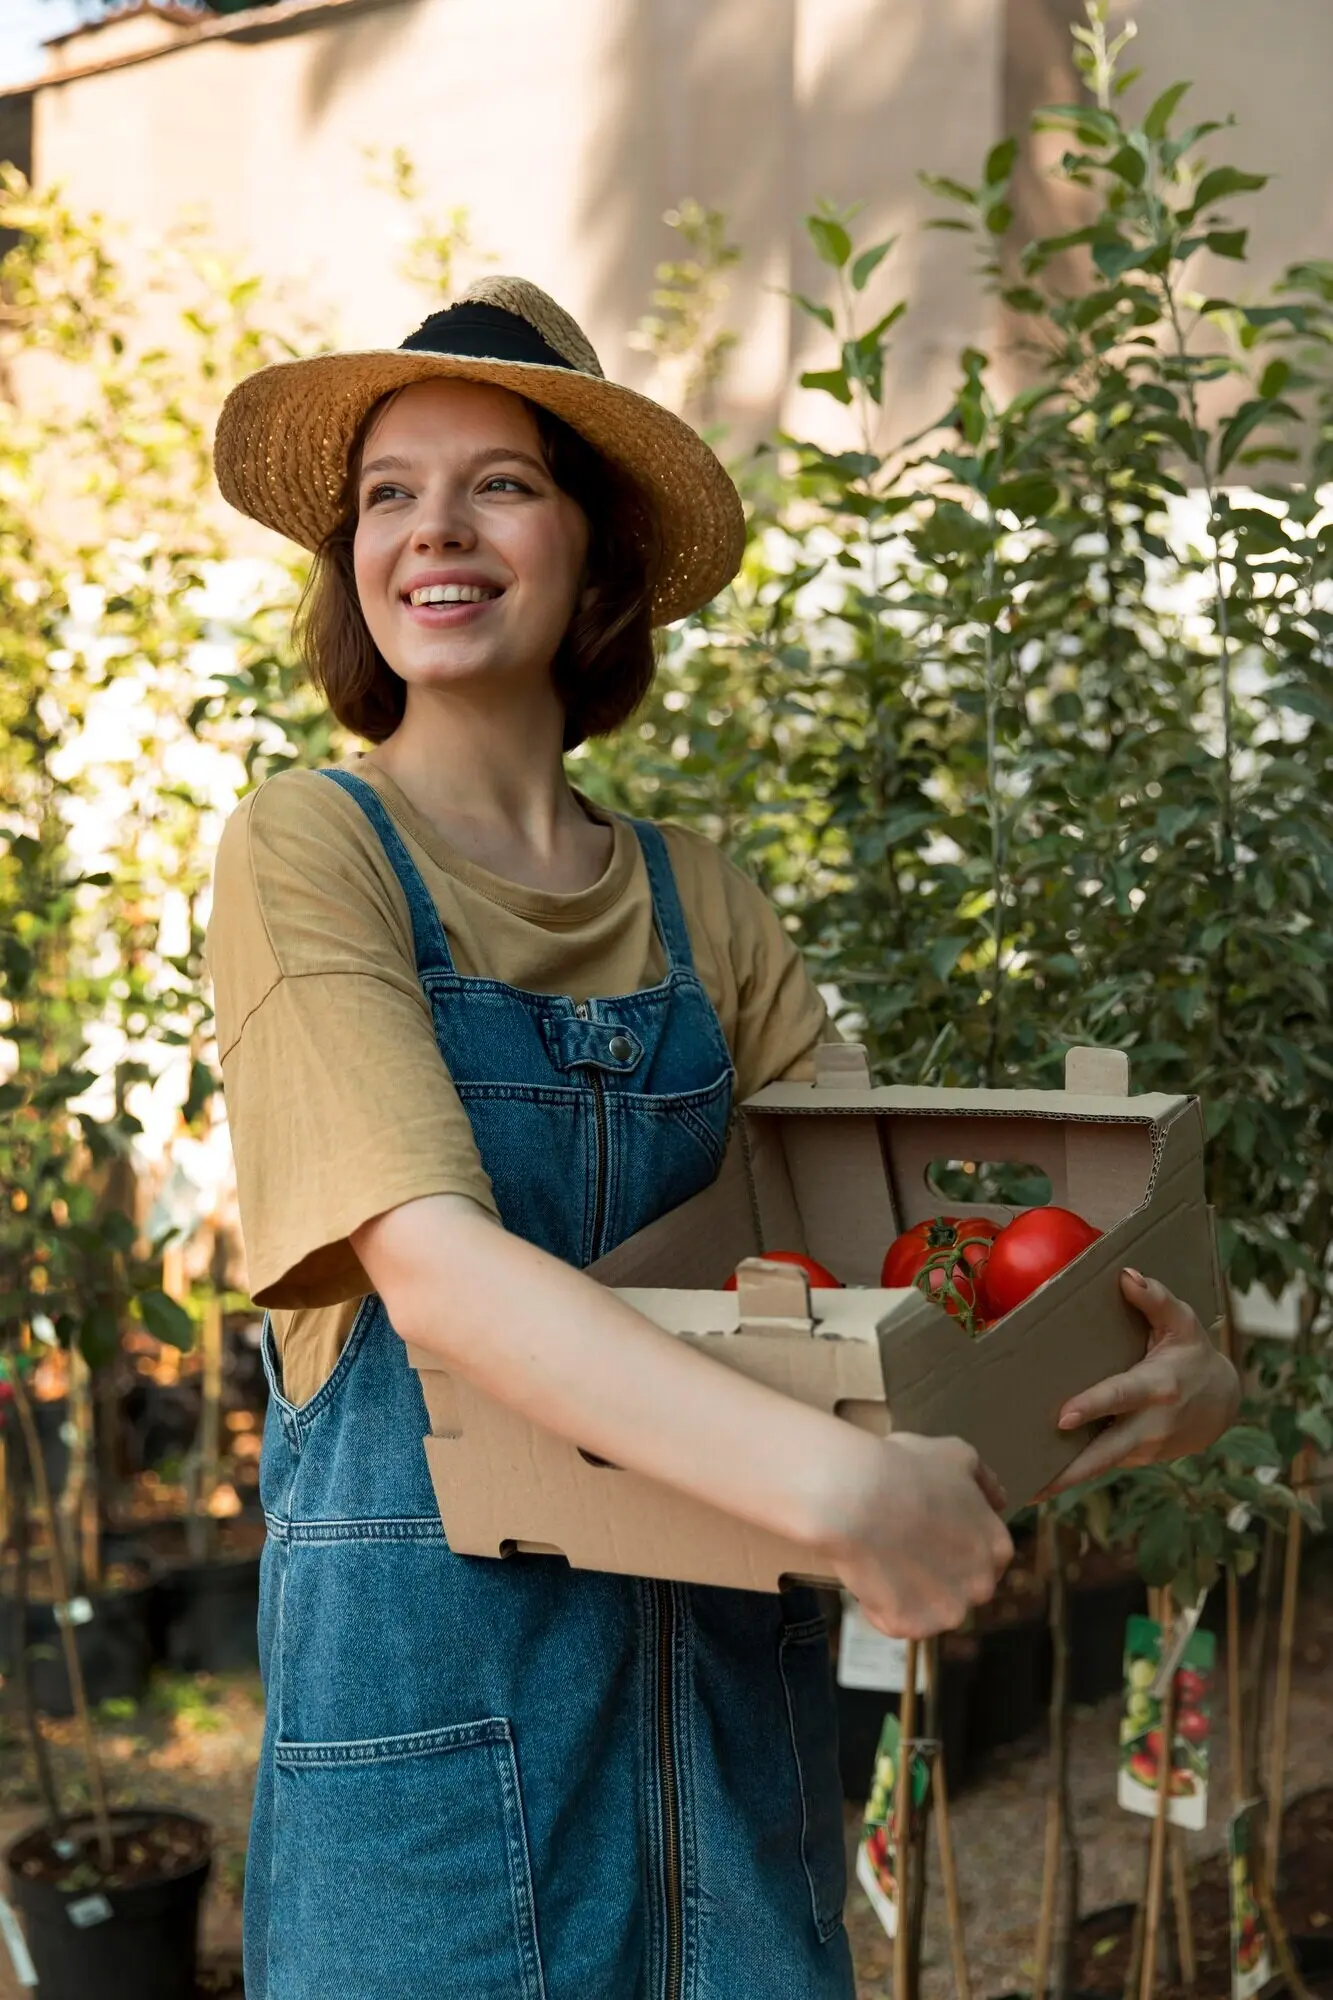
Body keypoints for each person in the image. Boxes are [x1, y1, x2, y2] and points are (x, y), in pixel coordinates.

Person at [206, 277, 1239, 2000]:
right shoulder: (305, 853)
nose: (433, 533)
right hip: (438, 1799)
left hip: (726, 1763)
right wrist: (839, 1488)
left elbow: (889, 1272)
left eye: (499, 484)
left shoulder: (704, 904)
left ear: (595, 554)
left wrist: (1145, 1385)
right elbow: (439, 1275)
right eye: (389, 491)